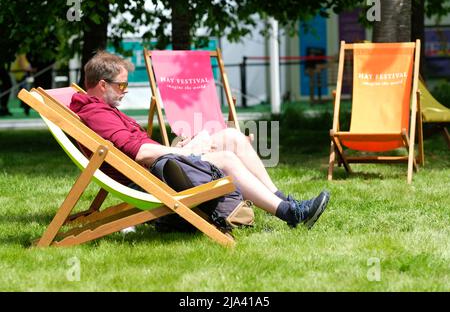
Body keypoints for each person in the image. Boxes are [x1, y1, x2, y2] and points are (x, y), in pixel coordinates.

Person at [69, 51, 330, 230]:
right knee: (226, 157)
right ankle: (290, 214)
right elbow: (138, 154)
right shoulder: (96, 113)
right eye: (122, 86)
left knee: (231, 137)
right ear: (102, 85)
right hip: (147, 180)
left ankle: (283, 199)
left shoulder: (103, 110)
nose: (125, 92)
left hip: (157, 168)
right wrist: (188, 152)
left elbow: (136, 148)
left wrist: (176, 149)